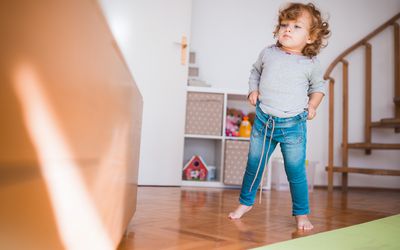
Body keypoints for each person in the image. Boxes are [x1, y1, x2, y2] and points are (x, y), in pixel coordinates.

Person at [228, 2, 330, 231]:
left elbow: (319, 87)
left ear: (311, 37)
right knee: (254, 165)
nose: (288, 29)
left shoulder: (311, 63)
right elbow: (255, 71)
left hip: (293, 125)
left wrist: (312, 105)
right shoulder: (268, 53)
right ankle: (245, 203)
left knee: (295, 171)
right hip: (264, 121)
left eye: (296, 26)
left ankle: (301, 214)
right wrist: (253, 90)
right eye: (284, 24)